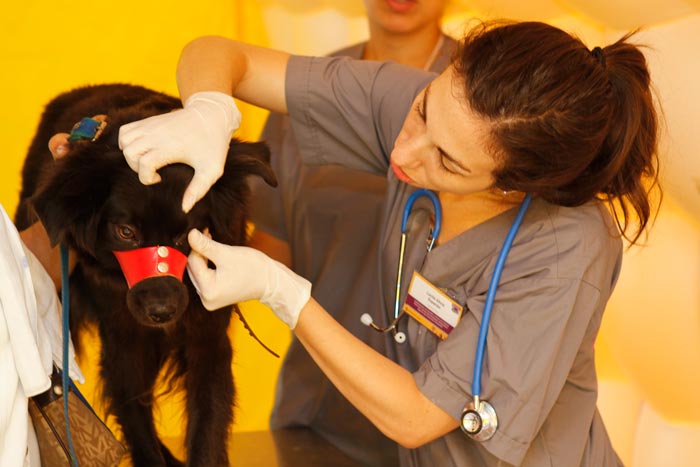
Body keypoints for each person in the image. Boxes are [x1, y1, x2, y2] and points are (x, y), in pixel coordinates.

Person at [116, 20, 660, 466]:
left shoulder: (566, 250)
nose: (406, 152)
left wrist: (280, 291)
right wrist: (208, 110)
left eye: (446, 161)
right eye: (424, 110)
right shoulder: (423, 108)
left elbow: (417, 416)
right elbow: (220, 52)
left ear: (515, 186)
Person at [248, 1, 456, 464]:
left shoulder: (487, 97)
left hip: (445, 415)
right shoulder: (303, 92)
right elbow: (269, 247)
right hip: (321, 406)